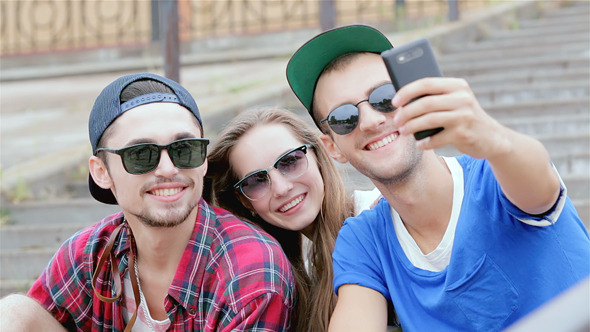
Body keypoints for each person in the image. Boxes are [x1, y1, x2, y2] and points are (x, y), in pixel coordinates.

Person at [285, 24, 590, 331]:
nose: (371, 120)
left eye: (384, 97)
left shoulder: (495, 175)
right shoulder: (364, 240)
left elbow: (540, 187)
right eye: (343, 117)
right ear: (331, 148)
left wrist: (490, 136)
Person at [0, 73, 295, 331]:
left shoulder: (250, 271)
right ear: (101, 172)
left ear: (204, 160)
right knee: (15, 313)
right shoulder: (88, 256)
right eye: (141, 154)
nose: (168, 169)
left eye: (184, 149)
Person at [204, 107, 389, 331]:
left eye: (290, 161)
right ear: (244, 201)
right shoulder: (284, 272)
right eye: (256, 181)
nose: (281, 188)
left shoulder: (379, 216)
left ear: (319, 155)